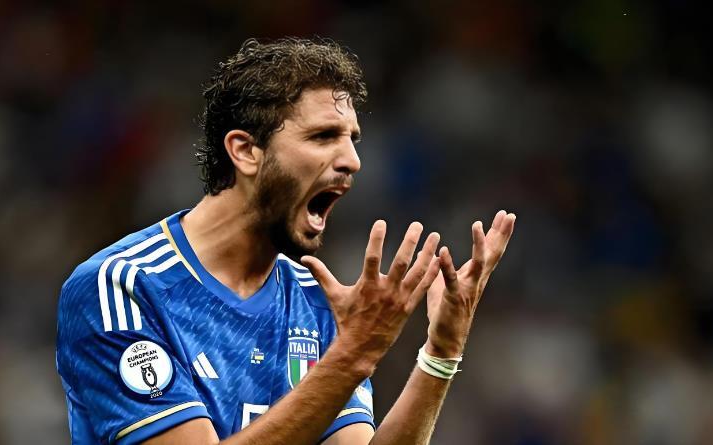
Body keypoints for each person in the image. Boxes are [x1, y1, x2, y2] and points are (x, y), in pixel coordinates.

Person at [55, 37, 516, 445]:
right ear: (245, 151)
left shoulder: (317, 301)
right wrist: (353, 354)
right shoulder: (123, 287)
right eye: (323, 136)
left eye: (353, 139)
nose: (352, 160)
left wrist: (441, 353)